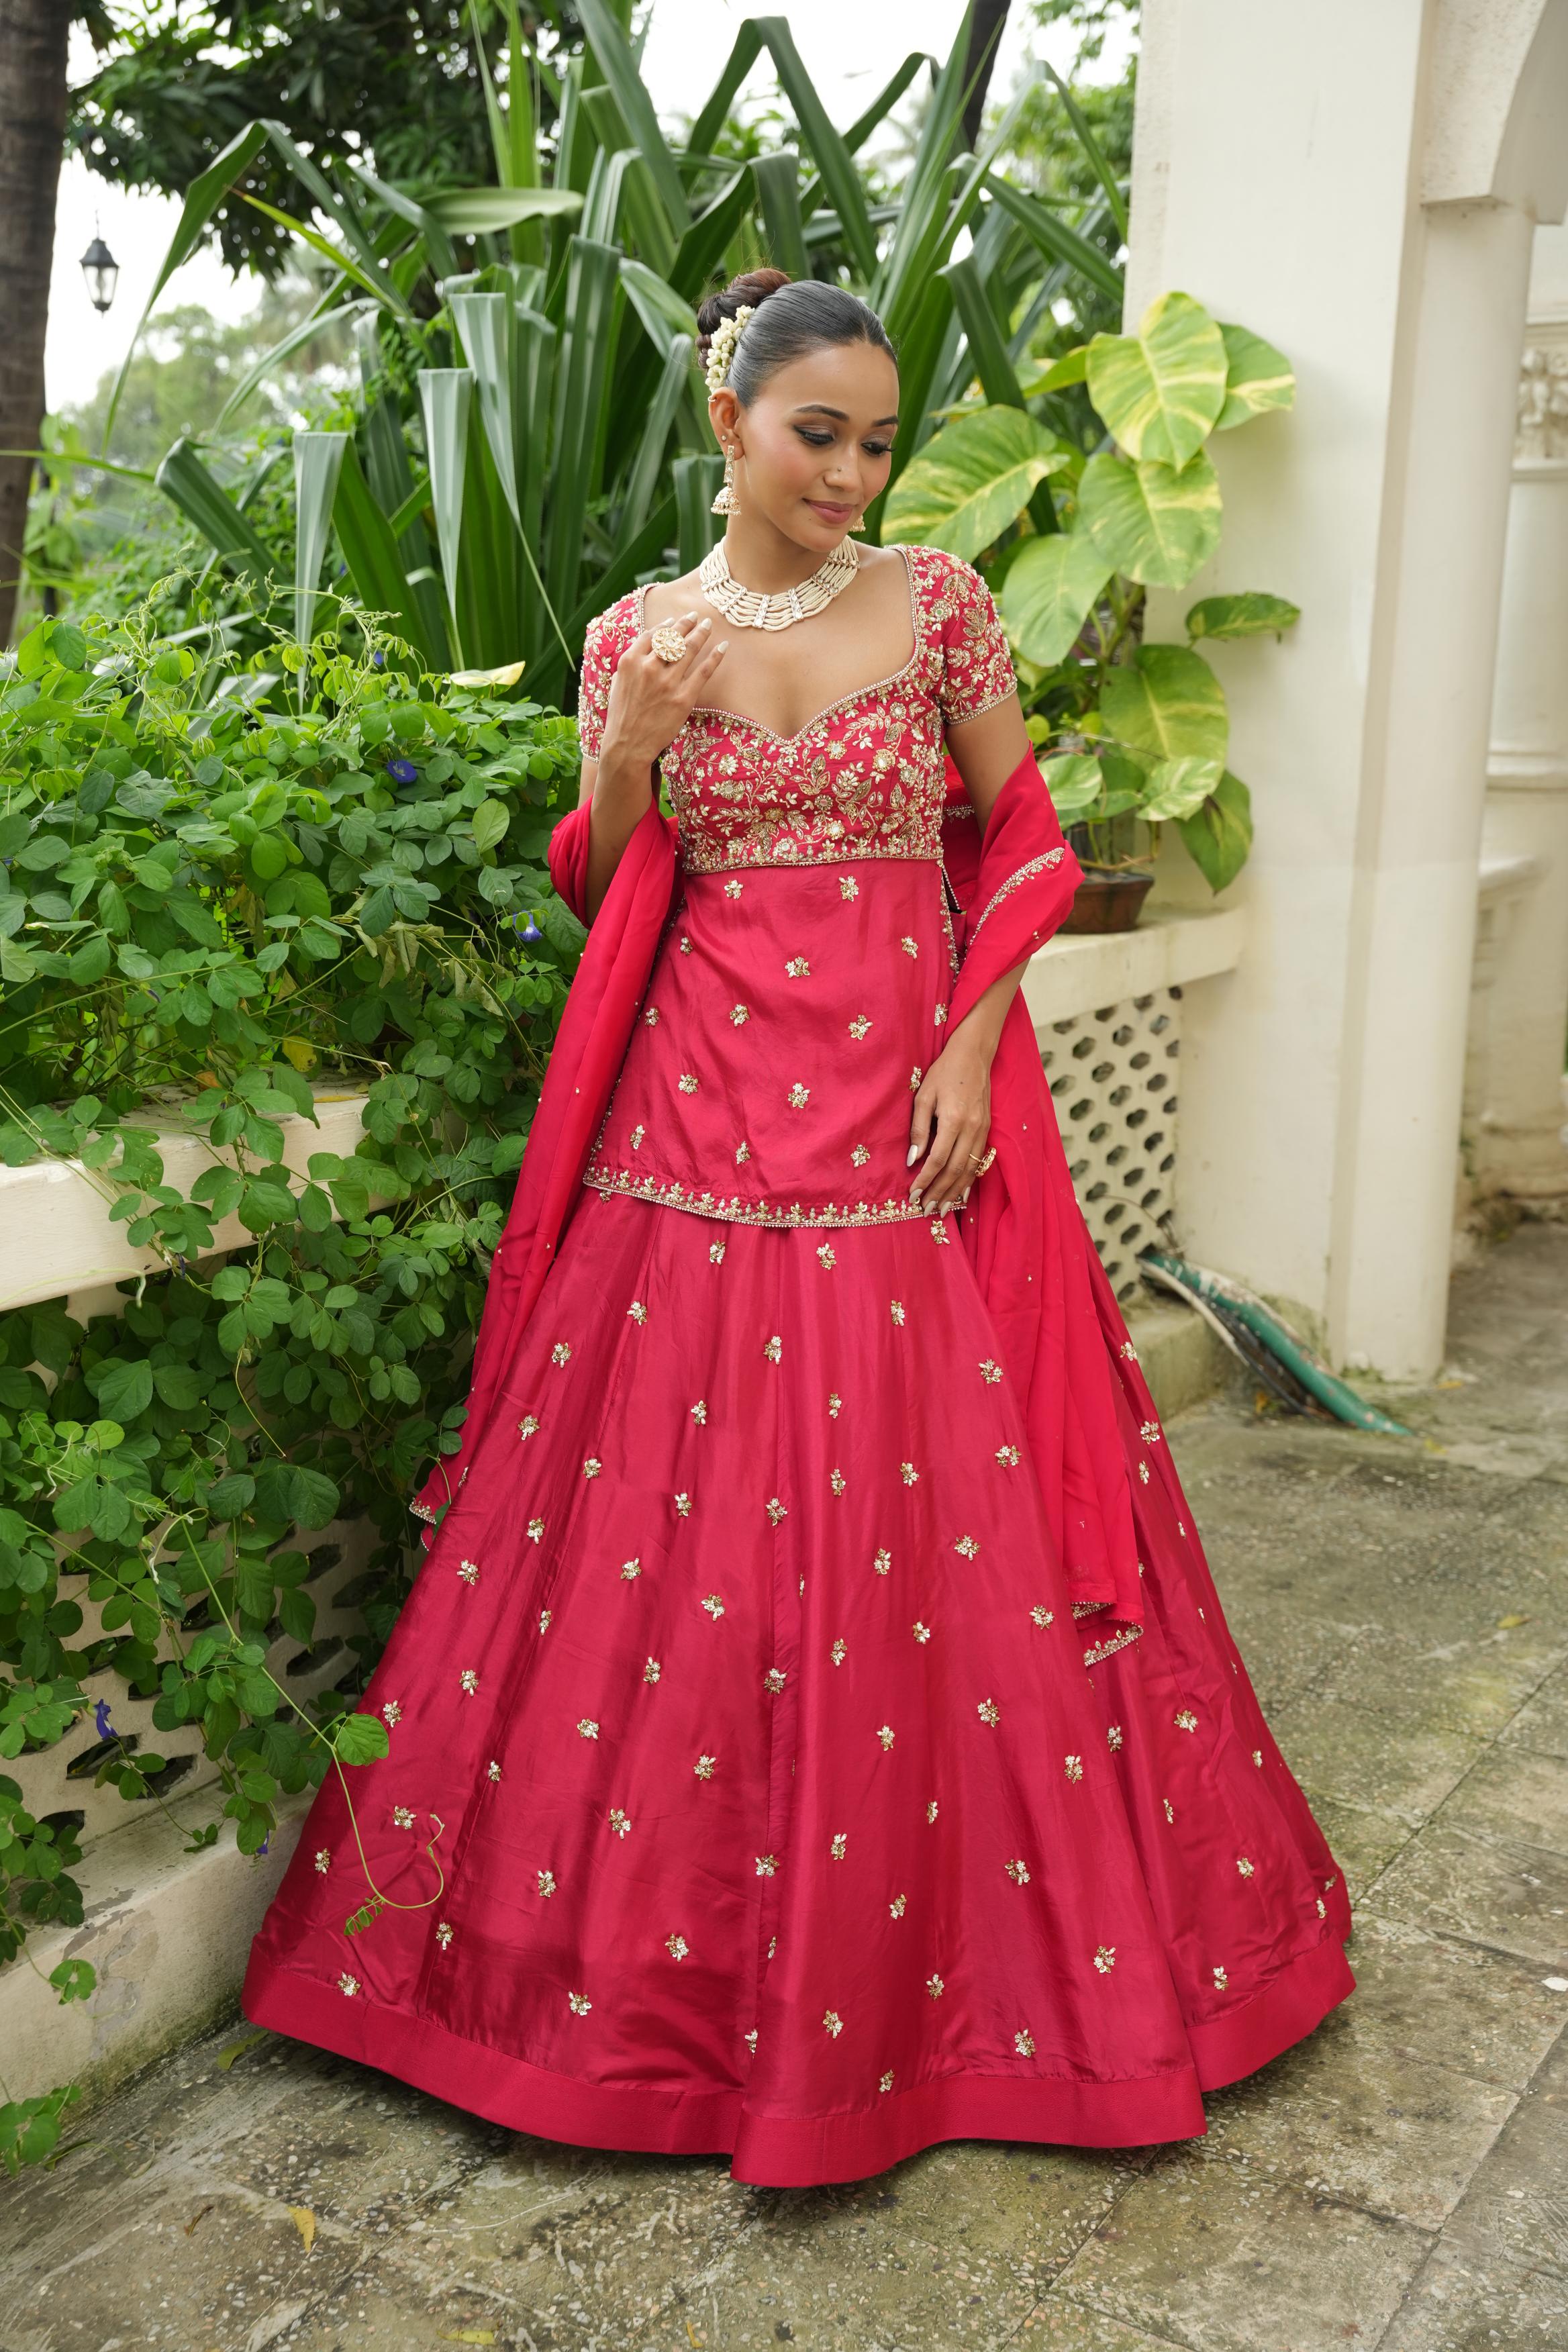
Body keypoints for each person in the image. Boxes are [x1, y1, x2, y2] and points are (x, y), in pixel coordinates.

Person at [243, 268, 1353, 2188]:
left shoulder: (939, 603)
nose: (850, 472)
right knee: (665, 1558)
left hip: (900, 1124)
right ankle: (625, 2011)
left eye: (877, 441)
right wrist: (630, 743)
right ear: (730, 421)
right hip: (688, 1134)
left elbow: (1030, 841)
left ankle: (978, 2010)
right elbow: (607, 881)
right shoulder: (636, 637)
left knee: (947, 1534)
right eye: (816, 433)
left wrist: (970, 1041)